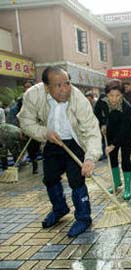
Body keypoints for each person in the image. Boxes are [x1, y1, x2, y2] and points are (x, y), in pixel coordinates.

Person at [17, 66, 101, 237]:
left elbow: (91, 129)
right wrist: (44, 133)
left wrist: (91, 158)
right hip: (51, 140)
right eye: (58, 85)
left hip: (75, 142)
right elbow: (26, 121)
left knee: (77, 180)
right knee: (49, 178)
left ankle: (84, 217)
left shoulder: (78, 98)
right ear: (47, 87)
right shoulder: (33, 95)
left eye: (67, 83)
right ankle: (60, 208)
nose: (64, 90)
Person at [95, 79, 131, 200]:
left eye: (118, 95)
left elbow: (124, 129)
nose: (114, 98)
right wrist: (102, 124)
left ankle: (128, 187)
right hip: (110, 132)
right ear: (107, 94)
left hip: (126, 134)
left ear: (122, 95)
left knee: (125, 159)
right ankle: (116, 182)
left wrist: (113, 145)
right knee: (112, 157)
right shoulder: (102, 101)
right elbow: (96, 113)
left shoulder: (126, 107)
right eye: (111, 95)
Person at [14, 80, 41, 174]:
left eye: (29, 86)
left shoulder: (39, 98)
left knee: (38, 146)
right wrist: (21, 129)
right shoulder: (21, 101)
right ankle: (34, 165)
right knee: (30, 148)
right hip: (27, 127)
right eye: (25, 87)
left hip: (39, 126)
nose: (27, 88)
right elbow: (20, 115)